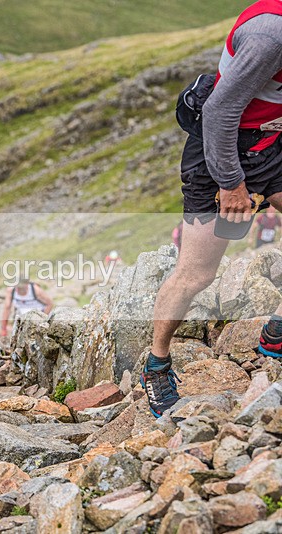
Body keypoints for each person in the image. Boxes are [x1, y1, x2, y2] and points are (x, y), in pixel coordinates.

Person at [145, 0, 282, 418]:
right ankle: (156, 365)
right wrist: (232, 184)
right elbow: (219, 111)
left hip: (269, 145)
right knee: (196, 274)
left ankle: (276, 331)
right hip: (220, 155)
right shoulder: (270, 38)